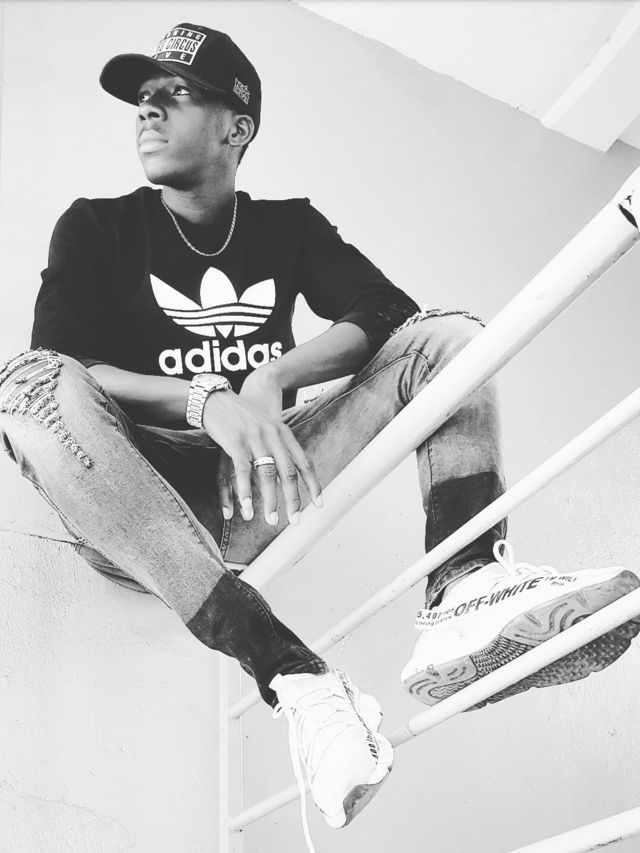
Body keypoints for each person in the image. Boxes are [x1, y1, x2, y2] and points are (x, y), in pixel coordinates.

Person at [1, 21, 639, 838]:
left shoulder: (288, 228)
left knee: (449, 338)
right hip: (132, 502)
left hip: (256, 488)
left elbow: (386, 310)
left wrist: (271, 377)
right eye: (143, 98)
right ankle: (294, 676)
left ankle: (466, 586)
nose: (147, 112)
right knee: (25, 385)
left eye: (174, 94)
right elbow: (64, 364)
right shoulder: (97, 226)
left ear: (237, 126)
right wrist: (207, 400)